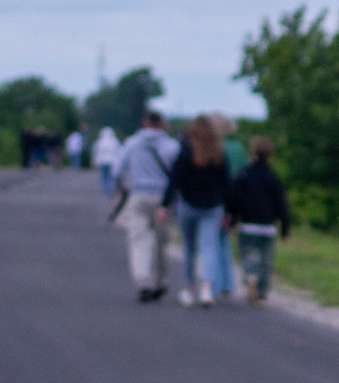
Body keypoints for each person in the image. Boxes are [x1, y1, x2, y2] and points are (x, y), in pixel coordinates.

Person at [169, 115, 236, 307]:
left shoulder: (186, 150)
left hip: (188, 204)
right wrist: (230, 211)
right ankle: (207, 288)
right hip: (213, 206)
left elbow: (175, 178)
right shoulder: (218, 153)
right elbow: (226, 184)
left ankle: (189, 288)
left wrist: (165, 204)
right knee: (210, 247)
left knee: (189, 248)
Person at [117, 110, 179, 303]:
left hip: (139, 194)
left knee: (139, 239)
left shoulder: (132, 143)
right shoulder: (172, 146)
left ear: (144, 122)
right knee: (161, 241)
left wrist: (125, 187)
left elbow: (117, 170)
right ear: (162, 123)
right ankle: (160, 280)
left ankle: (143, 280)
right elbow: (178, 174)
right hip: (163, 199)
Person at [228, 135, 294, 304]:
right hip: (267, 227)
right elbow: (282, 205)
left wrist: (232, 221)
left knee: (248, 255)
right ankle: (262, 294)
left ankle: (251, 277)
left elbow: (235, 200)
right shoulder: (273, 177)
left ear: (252, 152)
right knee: (266, 261)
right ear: (270, 154)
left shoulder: (244, 175)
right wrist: (285, 229)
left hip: (247, 225)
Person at [92, 125, 124, 194]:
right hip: (112, 162)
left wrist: (95, 161)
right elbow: (119, 152)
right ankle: (110, 190)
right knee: (110, 177)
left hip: (102, 162)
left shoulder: (99, 142)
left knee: (104, 177)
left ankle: (106, 191)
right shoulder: (115, 141)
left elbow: (96, 152)